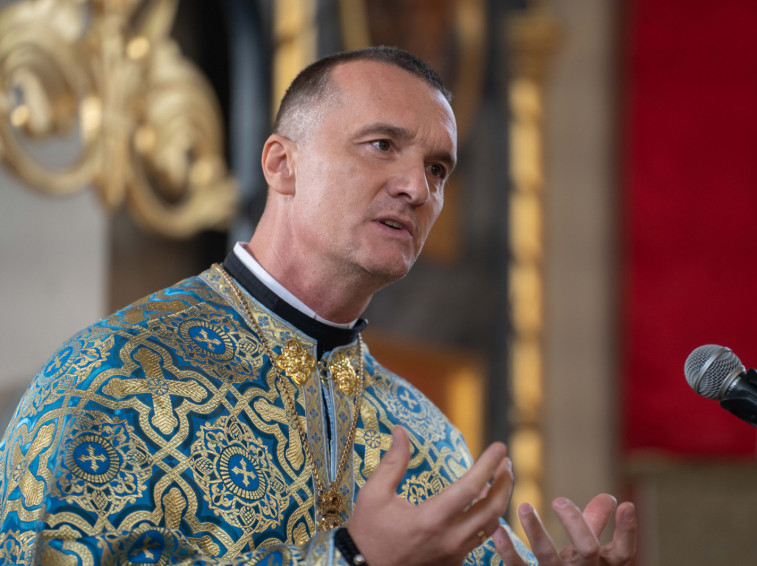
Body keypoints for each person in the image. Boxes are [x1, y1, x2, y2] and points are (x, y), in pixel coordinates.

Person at [0, 46, 636, 565]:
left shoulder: (427, 437)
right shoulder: (112, 378)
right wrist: (353, 559)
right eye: (382, 145)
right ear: (282, 164)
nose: (417, 188)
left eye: (438, 169)